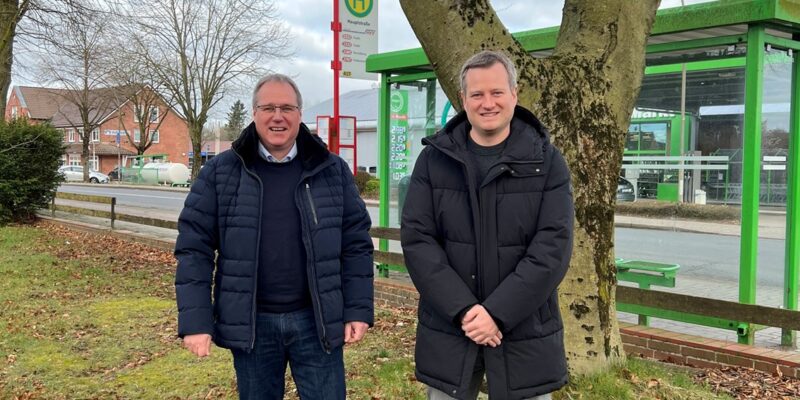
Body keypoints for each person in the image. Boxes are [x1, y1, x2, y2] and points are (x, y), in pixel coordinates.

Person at [174, 73, 374, 400]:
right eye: (268, 108)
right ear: (254, 113)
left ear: (299, 114)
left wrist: (357, 309)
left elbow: (356, 246)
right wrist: (196, 321)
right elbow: (193, 249)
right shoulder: (221, 173)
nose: (277, 116)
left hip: (317, 322)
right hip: (253, 325)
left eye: (286, 108)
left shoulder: (331, 170)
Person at [400, 50, 574, 400]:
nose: (488, 103)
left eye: (497, 92)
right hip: (450, 328)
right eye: (477, 94)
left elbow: (553, 247)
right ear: (463, 99)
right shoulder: (433, 160)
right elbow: (418, 241)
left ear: (514, 94)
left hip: (525, 331)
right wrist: (464, 311)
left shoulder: (546, 161)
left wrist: (497, 313)